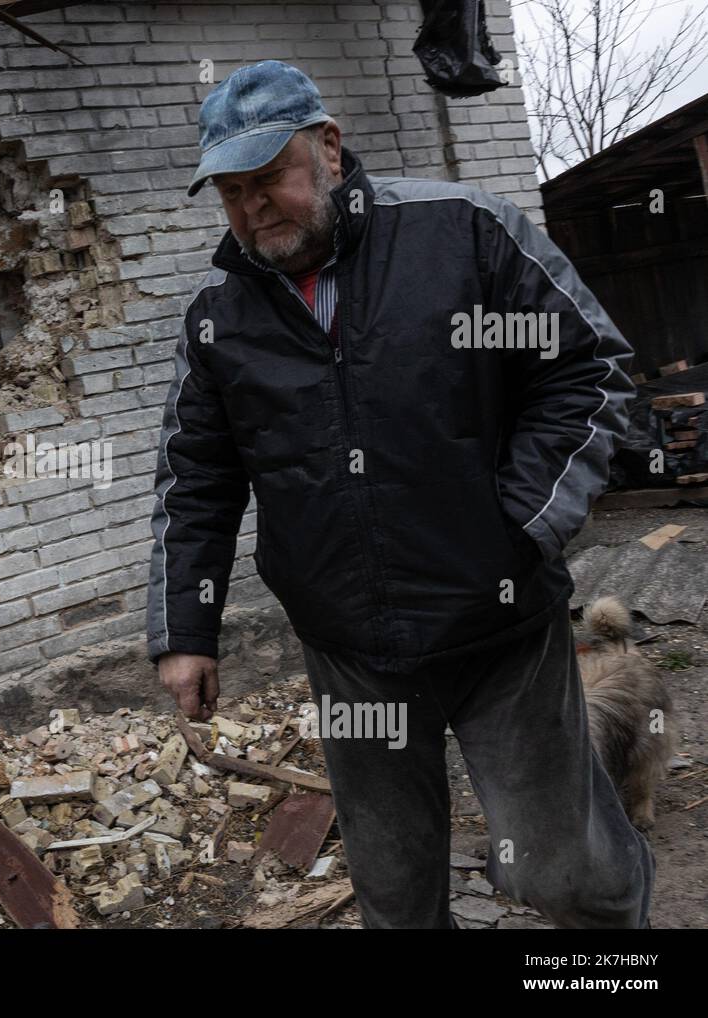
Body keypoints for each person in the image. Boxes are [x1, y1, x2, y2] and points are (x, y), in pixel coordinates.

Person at [146, 59, 655, 928]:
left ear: (330, 148)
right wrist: (185, 632)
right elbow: (196, 477)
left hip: (501, 631)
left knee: (563, 874)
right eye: (230, 191)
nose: (252, 207)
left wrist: (518, 527)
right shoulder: (219, 314)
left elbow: (591, 372)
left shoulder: (462, 234)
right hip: (352, 649)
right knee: (396, 894)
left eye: (268, 177)